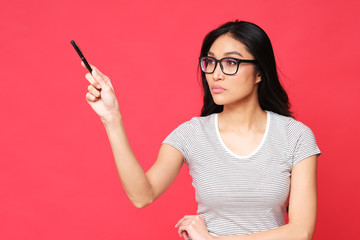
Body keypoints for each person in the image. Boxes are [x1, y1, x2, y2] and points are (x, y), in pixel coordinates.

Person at [83, 20, 321, 240]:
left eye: (230, 62)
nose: (216, 74)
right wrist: (112, 119)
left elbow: (301, 232)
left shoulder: (295, 136)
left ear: (259, 72)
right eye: (210, 62)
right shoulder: (192, 134)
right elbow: (142, 195)